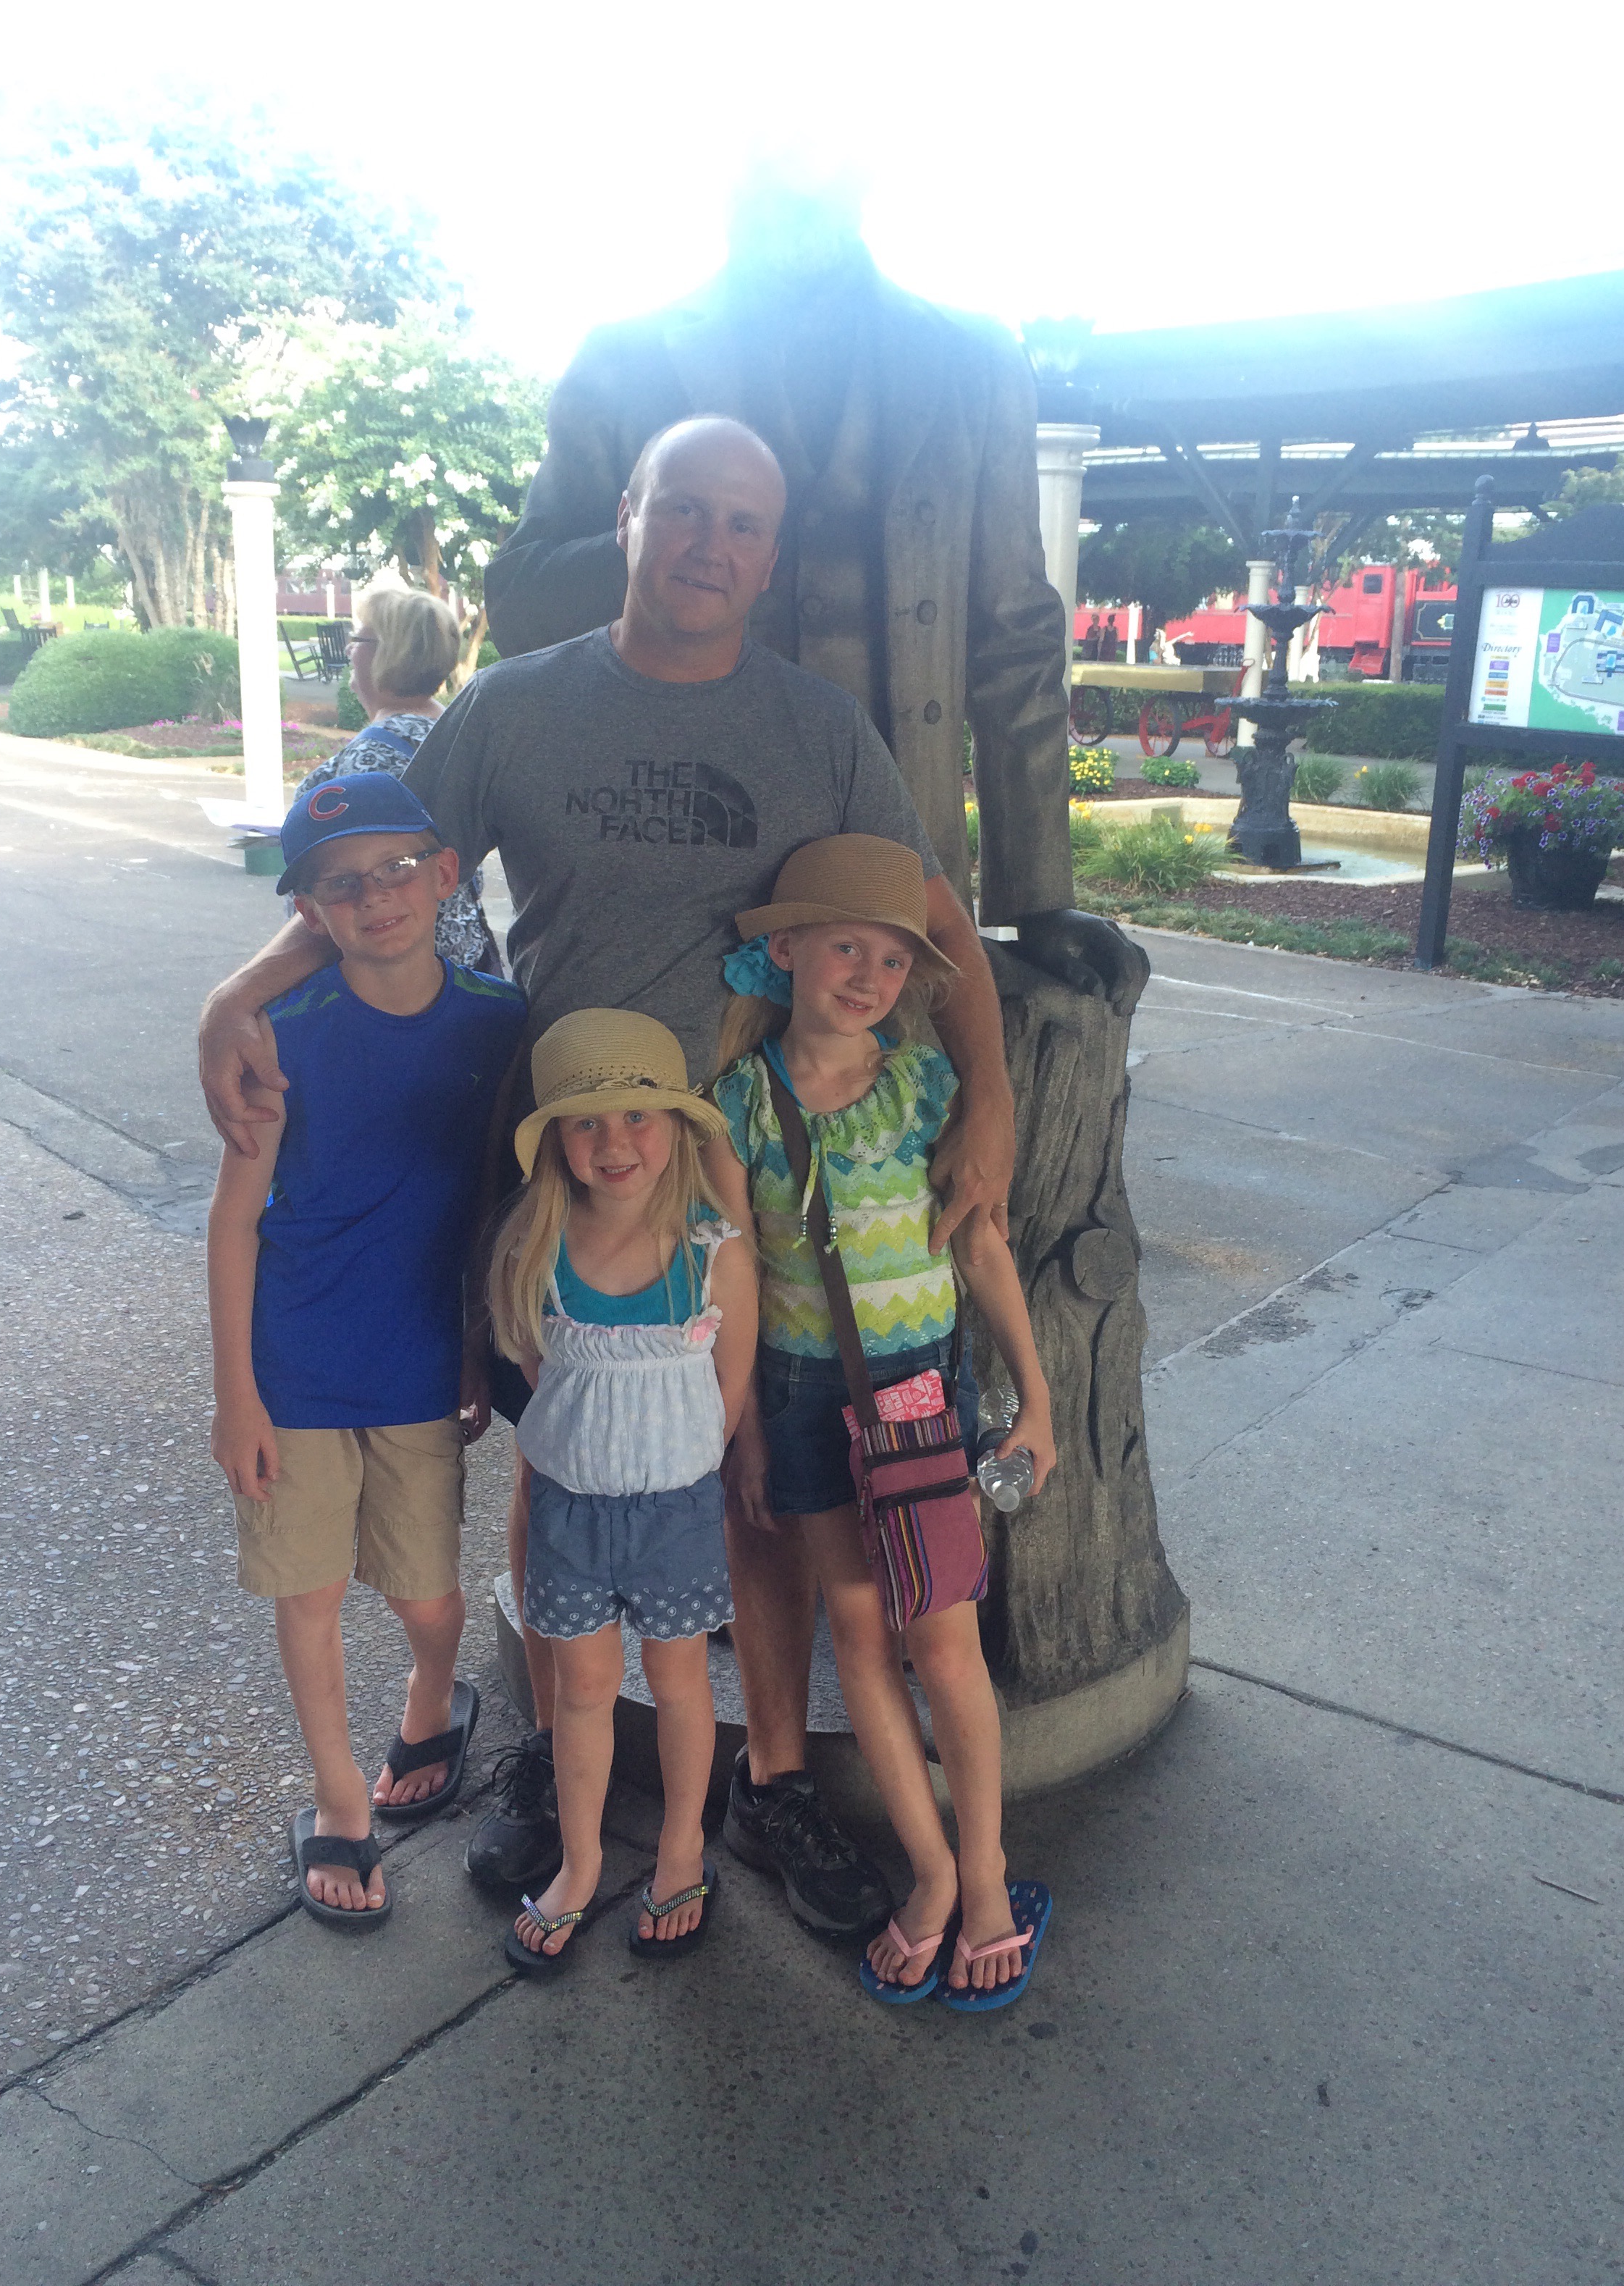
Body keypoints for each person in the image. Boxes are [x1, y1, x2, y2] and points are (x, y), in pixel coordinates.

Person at [198, 415, 1017, 1943]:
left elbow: (935, 918)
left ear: (769, 558)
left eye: (745, 524)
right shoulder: (514, 706)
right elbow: (383, 874)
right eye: (685, 508)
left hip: (741, 1160)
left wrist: (994, 1108)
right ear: (628, 518)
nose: (713, 542)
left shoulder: (818, 727)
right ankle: (550, 1734)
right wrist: (236, 995)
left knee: (741, 1472)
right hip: (559, 1150)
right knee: (555, 1448)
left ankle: (767, 1778)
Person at [481, 159, 1142, 1013]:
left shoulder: (974, 361)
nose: (798, 171)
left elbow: (1014, 635)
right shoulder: (626, 360)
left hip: (893, 873)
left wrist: (1039, 896)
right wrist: (676, 540)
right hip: (685, 861)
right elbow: (521, 601)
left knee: (891, 1096)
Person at [707, 834, 1056, 2009]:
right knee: (857, 1637)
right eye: (845, 947)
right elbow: (738, 1275)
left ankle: (987, 1872)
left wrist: (1035, 1394)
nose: (869, 976)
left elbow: (980, 1243)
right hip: (801, 1399)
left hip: (919, 1396)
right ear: (786, 951)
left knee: (939, 1639)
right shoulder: (739, 1104)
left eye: (894, 958)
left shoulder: (924, 1089)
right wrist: (748, 1427)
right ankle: (930, 1871)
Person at [206, 770, 527, 1928]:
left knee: (427, 1595)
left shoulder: (501, 1022)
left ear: (445, 876)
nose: (375, 898)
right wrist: (235, 1396)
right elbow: (234, 1222)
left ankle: (434, 1698)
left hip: (420, 1356)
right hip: (292, 1362)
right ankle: (340, 1798)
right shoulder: (279, 1036)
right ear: (308, 910)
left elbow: (496, 1196)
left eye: (395, 870)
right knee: (308, 1591)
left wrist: (476, 1344)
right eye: (341, 885)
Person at [487, 1011, 755, 1970]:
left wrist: (671, 1455)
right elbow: (538, 1372)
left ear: (677, 1127)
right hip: (569, 1513)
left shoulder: (714, 1252)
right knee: (585, 1690)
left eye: (640, 1116)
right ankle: (583, 1860)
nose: (616, 1142)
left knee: (680, 1683)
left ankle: (681, 1851)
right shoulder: (535, 1247)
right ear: (557, 1140)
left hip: (675, 1512)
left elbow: (730, 1388)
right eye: (588, 1122)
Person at [300, 576, 498, 970]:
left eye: (358, 639)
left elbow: (356, 883)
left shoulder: (373, 758)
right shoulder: (454, 731)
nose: (348, 649)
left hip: (396, 974)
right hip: (463, 959)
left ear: (388, 653)